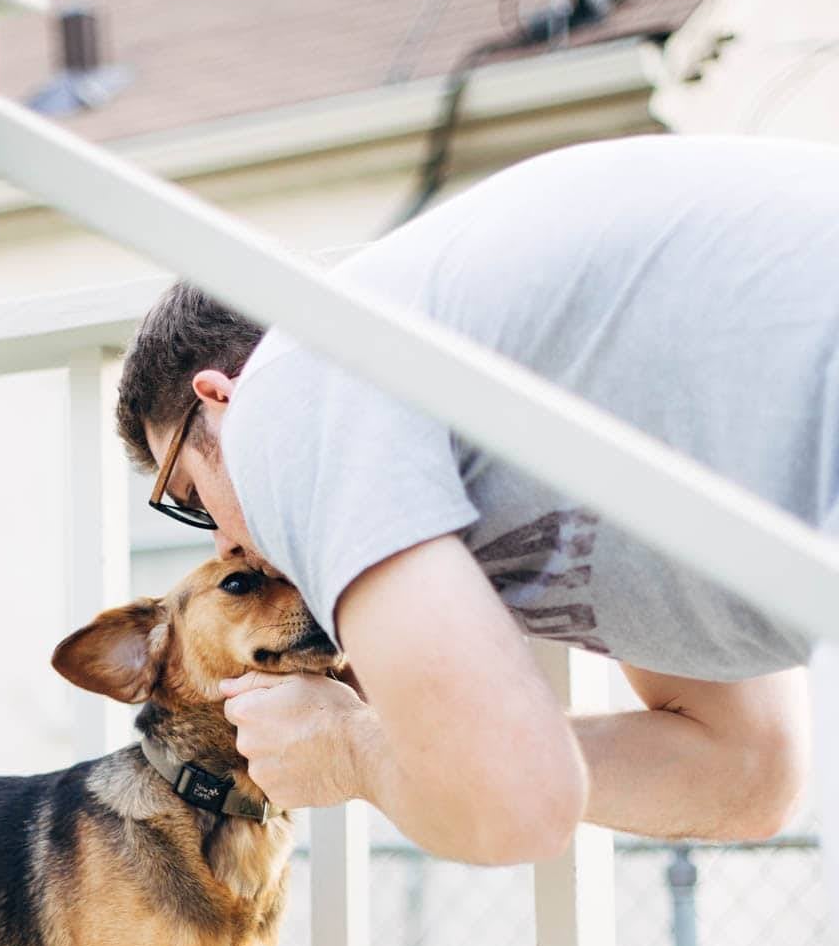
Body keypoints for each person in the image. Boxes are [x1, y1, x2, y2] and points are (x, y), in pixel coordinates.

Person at [114, 134, 839, 874]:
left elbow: (515, 809)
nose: (225, 551)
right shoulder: (437, 398)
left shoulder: (291, 382)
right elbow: (749, 772)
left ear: (220, 397)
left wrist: (353, 751)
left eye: (192, 497)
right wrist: (451, 746)